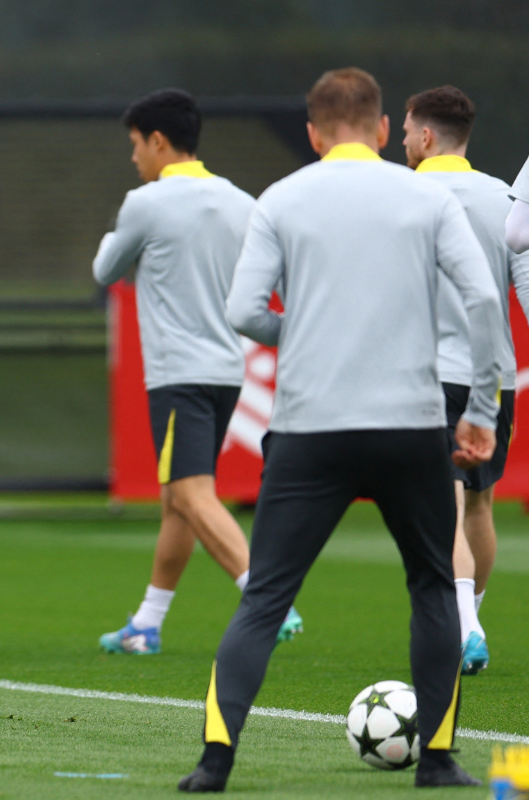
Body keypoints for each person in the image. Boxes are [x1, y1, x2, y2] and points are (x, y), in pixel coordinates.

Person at [179, 68, 500, 792]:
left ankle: (213, 764)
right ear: (385, 130)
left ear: (313, 133)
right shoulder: (424, 194)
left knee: (266, 596)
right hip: (410, 425)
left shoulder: (283, 198)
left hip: (310, 429)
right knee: (428, 588)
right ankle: (441, 762)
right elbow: (482, 299)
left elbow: (242, 311)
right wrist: (480, 408)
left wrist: (301, 328)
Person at [91, 89, 301, 656]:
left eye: (136, 145)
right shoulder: (242, 202)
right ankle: (146, 624)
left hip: (177, 375)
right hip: (227, 373)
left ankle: (266, 595)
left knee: (191, 492)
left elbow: (106, 267)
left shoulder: (146, 202)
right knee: (178, 501)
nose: (134, 158)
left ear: (158, 141)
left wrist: (126, 243)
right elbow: (272, 290)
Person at [403, 85, 529, 677]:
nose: (403, 142)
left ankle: (465, 625)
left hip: (426, 375)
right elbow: (527, 290)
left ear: (425, 136)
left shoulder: (402, 195)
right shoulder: (503, 196)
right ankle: (472, 615)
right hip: (493, 377)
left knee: (442, 505)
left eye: (405, 132)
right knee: (480, 504)